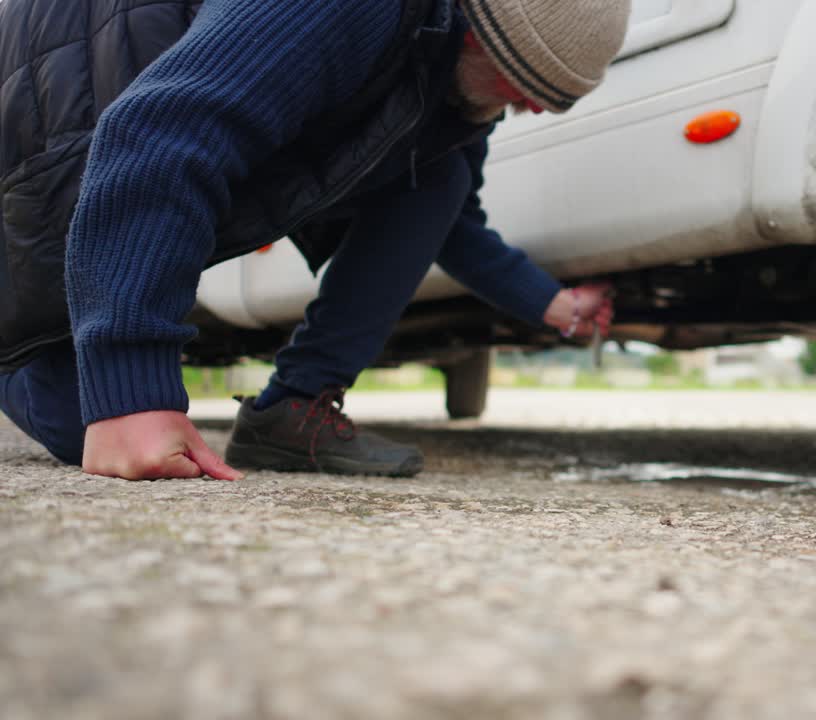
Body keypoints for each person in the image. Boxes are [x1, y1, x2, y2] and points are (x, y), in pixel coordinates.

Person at [0, 0, 630, 480]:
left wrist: (553, 306)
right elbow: (159, 134)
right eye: (530, 89)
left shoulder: (457, 89)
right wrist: (132, 388)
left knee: (439, 176)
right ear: (477, 33)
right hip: (50, 103)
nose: (539, 111)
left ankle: (293, 408)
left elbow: (454, 223)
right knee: (89, 422)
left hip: (133, 120)